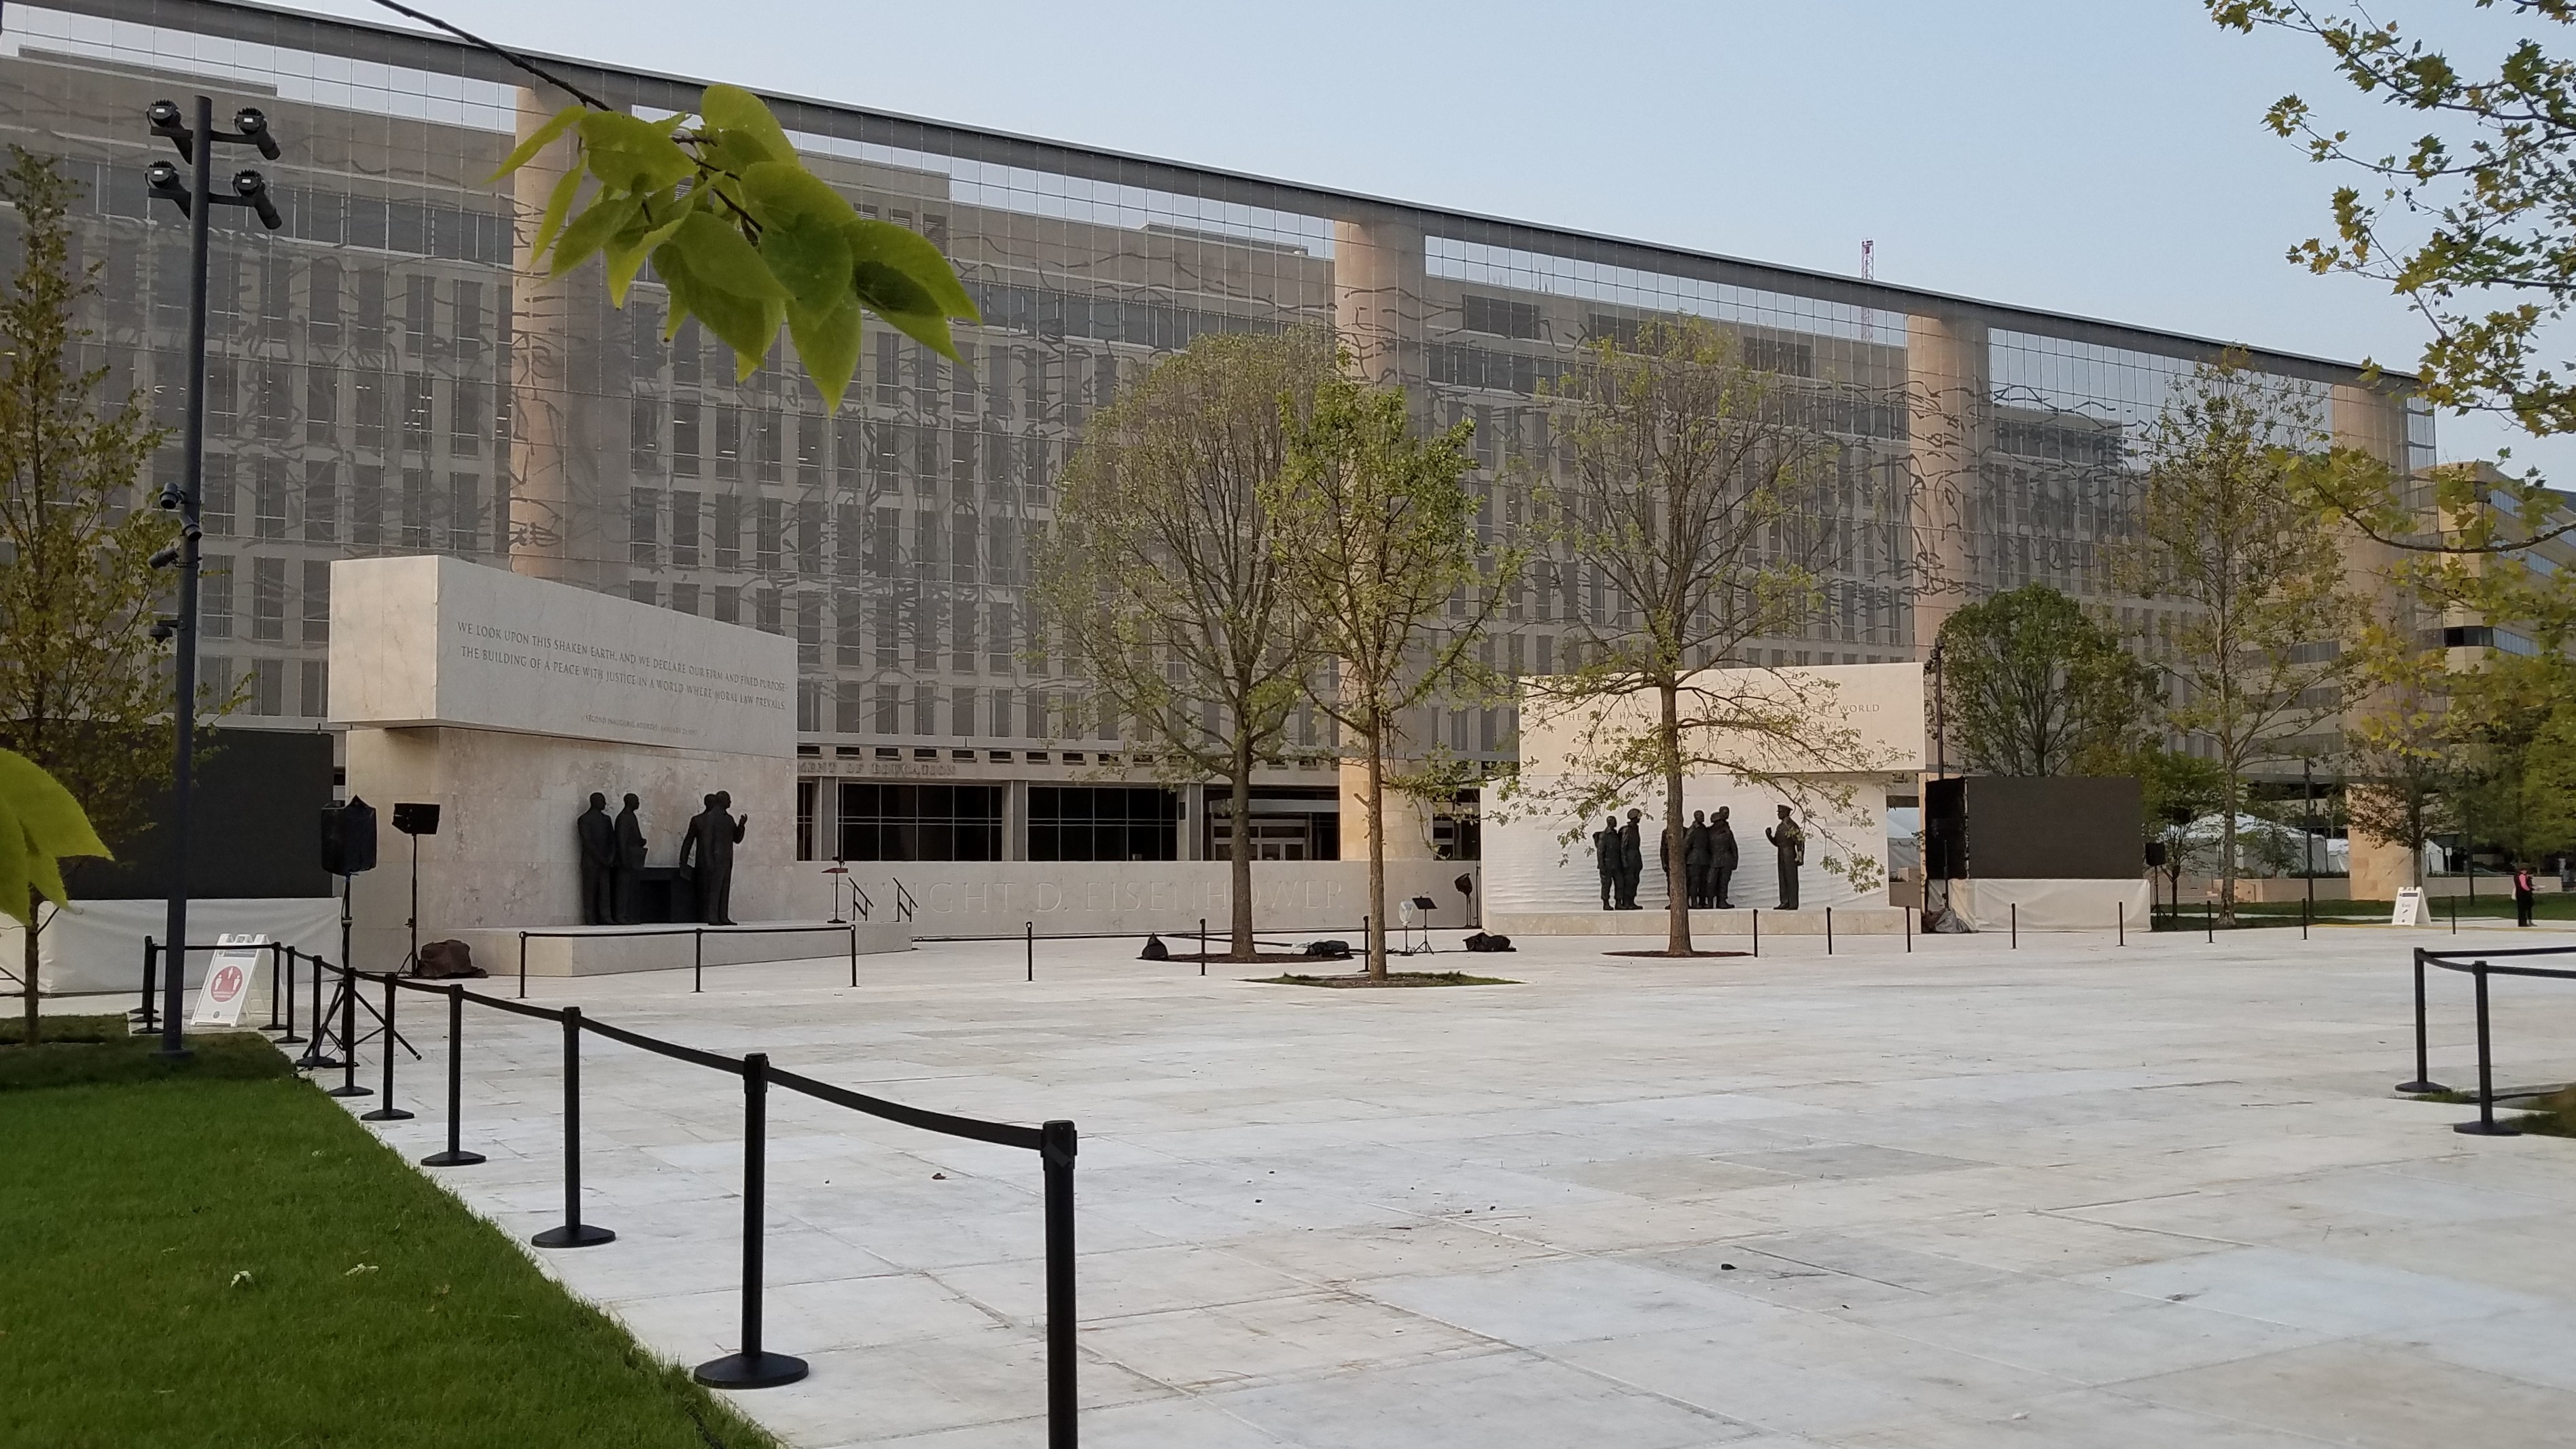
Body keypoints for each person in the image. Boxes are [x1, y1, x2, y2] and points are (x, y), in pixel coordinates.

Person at [682, 791, 750, 926]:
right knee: (714, 890)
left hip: (726, 860)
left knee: (724, 889)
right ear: (721, 801)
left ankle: (723, 916)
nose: (730, 802)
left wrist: (741, 826)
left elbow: (736, 839)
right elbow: (707, 842)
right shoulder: (710, 818)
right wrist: (709, 861)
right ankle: (712, 917)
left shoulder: (729, 819)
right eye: (728, 799)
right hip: (715, 860)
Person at [575, 791, 616, 925]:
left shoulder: (606, 820)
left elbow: (612, 839)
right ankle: (590, 918)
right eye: (602, 801)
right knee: (590, 890)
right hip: (591, 862)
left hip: (604, 861)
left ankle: (606, 916)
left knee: (605, 890)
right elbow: (588, 843)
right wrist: (602, 859)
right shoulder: (584, 820)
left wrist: (611, 856)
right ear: (595, 802)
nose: (605, 804)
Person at [612, 793, 647, 924]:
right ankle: (620, 916)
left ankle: (628, 915)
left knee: (630, 889)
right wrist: (624, 859)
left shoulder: (631, 816)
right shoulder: (624, 818)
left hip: (632, 859)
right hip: (626, 859)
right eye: (636, 801)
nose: (638, 803)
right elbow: (621, 840)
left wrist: (640, 841)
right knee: (623, 889)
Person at [1765, 804, 1804, 910]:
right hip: (1781, 852)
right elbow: (1777, 843)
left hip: (1789, 853)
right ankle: (1785, 901)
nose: (1778, 814)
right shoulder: (1780, 826)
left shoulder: (1791, 825)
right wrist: (1769, 835)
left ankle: (1793, 903)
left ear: (1786, 813)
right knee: (1782, 878)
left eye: (1780, 812)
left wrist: (1800, 855)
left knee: (1791, 878)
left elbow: (1800, 841)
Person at [1683, 810, 1714, 909]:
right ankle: (1694, 902)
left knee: (1703, 881)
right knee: (1694, 882)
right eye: (1700, 816)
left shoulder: (1705, 829)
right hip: (1694, 859)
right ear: (1696, 817)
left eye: (1703, 815)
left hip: (1704, 858)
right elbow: (1686, 844)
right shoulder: (1692, 829)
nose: (1702, 817)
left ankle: (1702, 901)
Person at [1710, 805, 1738, 909]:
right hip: (1714, 860)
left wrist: (1735, 861)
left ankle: (1722, 901)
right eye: (1725, 812)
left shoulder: (1728, 832)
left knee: (1724, 882)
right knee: (1711, 881)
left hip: (1726, 860)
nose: (1727, 815)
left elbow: (1733, 847)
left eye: (1728, 812)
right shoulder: (1710, 831)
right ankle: (1710, 902)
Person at [1617, 808, 1644, 910]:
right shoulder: (1627, 830)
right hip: (1630, 857)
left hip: (1636, 856)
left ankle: (1632, 901)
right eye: (1638, 817)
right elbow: (1623, 846)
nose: (1640, 819)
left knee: (1635, 880)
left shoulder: (1635, 828)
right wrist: (1624, 861)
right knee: (1629, 880)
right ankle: (1627, 902)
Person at [1593, 815, 1620, 910]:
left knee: (1619, 883)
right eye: (1614, 821)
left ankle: (1618, 902)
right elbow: (1600, 852)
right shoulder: (1604, 836)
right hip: (1607, 864)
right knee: (1606, 884)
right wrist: (1601, 865)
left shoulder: (1616, 834)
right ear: (1610, 823)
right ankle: (1606, 903)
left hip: (1617, 864)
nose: (1616, 823)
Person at [2515, 863, 2537, 928]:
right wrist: (2529, 890)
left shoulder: (2516, 875)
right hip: (2523, 894)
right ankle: (2523, 923)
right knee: (2523, 909)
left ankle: (2522, 923)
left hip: (2519, 893)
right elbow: (2524, 885)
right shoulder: (2522, 876)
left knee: (2521, 909)